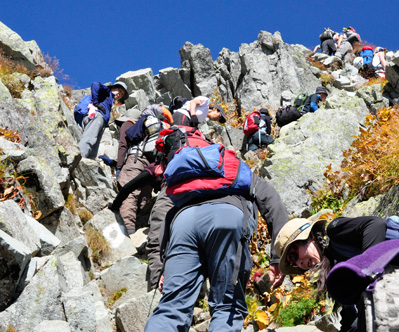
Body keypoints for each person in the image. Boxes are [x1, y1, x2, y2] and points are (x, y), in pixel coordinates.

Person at [144, 173, 289, 331]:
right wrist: (279, 257)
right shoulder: (237, 170)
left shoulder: (185, 174)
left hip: (183, 223)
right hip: (228, 219)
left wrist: (164, 265)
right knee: (227, 307)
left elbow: (163, 213)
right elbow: (272, 201)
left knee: (170, 310)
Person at [274, 216, 387, 331]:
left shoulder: (335, 231)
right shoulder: (332, 269)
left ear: (310, 236)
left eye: (294, 255)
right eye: (293, 262)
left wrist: (369, 269)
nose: (299, 264)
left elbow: (376, 224)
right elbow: (349, 312)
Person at [116, 104, 171, 235]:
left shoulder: (130, 123)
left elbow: (123, 145)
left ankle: (127, 231)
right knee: (143, 196)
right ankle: (139, 229)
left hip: (136, 159)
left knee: (130, 192)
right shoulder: (160, 127)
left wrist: (118, 166)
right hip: (153, 165)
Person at [78, 81, 129, 159]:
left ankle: (86, 162)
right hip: (97, 117)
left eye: (122, 94)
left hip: (100, 121)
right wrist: (96, 102)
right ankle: (80, 158)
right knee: (89, 139)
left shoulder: (110, 99)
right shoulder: (107, 92)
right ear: (113, 88)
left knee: (93, 148)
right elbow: (95, 84)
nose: (120, 94)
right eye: (119, 90)